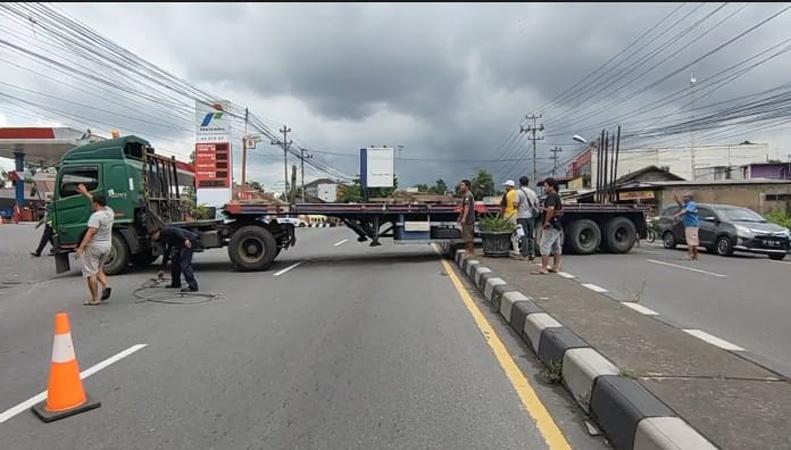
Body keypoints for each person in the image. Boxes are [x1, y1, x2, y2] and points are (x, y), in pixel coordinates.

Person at [75, 184, 114, 305]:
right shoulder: (109, 212)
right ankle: (106, 285)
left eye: (93, 203)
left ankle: (95, 299)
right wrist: (86, 193)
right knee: (98, 269)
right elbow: (95, 200)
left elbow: (90, 233)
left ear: (96, 204)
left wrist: (80, 248)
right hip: (107, 246)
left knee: (90, 273)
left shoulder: (96, 216)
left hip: (94, 247)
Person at [150, 225, 201, 292]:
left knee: (184, 264)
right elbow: (166, 252)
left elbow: (176, 230)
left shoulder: (165, 231)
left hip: (189, 241)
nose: (153, 239)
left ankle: (193, 286)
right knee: (174, 262)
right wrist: (162, 269)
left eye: (153, 237)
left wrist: (185, 239)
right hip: (180, 244)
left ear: (156, 232)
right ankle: (176, 283)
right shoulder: (162, 238)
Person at [533, 177, 563, 275]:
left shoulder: (551, 196)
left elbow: (551, 209)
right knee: (556, 246)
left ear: (551, 186)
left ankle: (544, 267)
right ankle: (555, 267)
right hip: (557, 224)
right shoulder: (556, 196)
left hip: (551, 225)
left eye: (546, 186)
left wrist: (546, 222)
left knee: (544, 245)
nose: (544, 188)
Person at [515, 176, 540, 261]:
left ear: (520, 183)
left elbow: (515, 204)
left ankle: (524, 255)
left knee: (523, 235)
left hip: (521, 216)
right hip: (531, 217)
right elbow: (537, 204)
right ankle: (532, 253)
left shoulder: (518, 192)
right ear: (528, 183)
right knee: (531, 235)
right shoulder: (533, 192)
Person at [674, 192, 700, 261]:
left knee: (690, 241)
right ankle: (695, 255)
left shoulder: (691, 204)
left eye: (685, 197)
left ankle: (690, 255)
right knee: (693, 240)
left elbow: (685, 211)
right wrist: (676, 199)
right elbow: (681, 206)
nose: (683, 198)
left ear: (690, 198)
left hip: (691, 225)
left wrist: (678, 214)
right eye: (683, 197)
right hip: (691, 225)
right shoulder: (687, 204)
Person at [457, 179, 476, 258]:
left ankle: (471, 252)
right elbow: (463, 208)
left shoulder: (468, 195)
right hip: (467, 218)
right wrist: (460, 216)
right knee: (466, 237)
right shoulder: (465, 195)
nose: (460, 187)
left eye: (462, 185)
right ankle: (468, 251)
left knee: (469, 237)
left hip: (469, 219)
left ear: (467, 186)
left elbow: (467, 208)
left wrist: (464, 218)